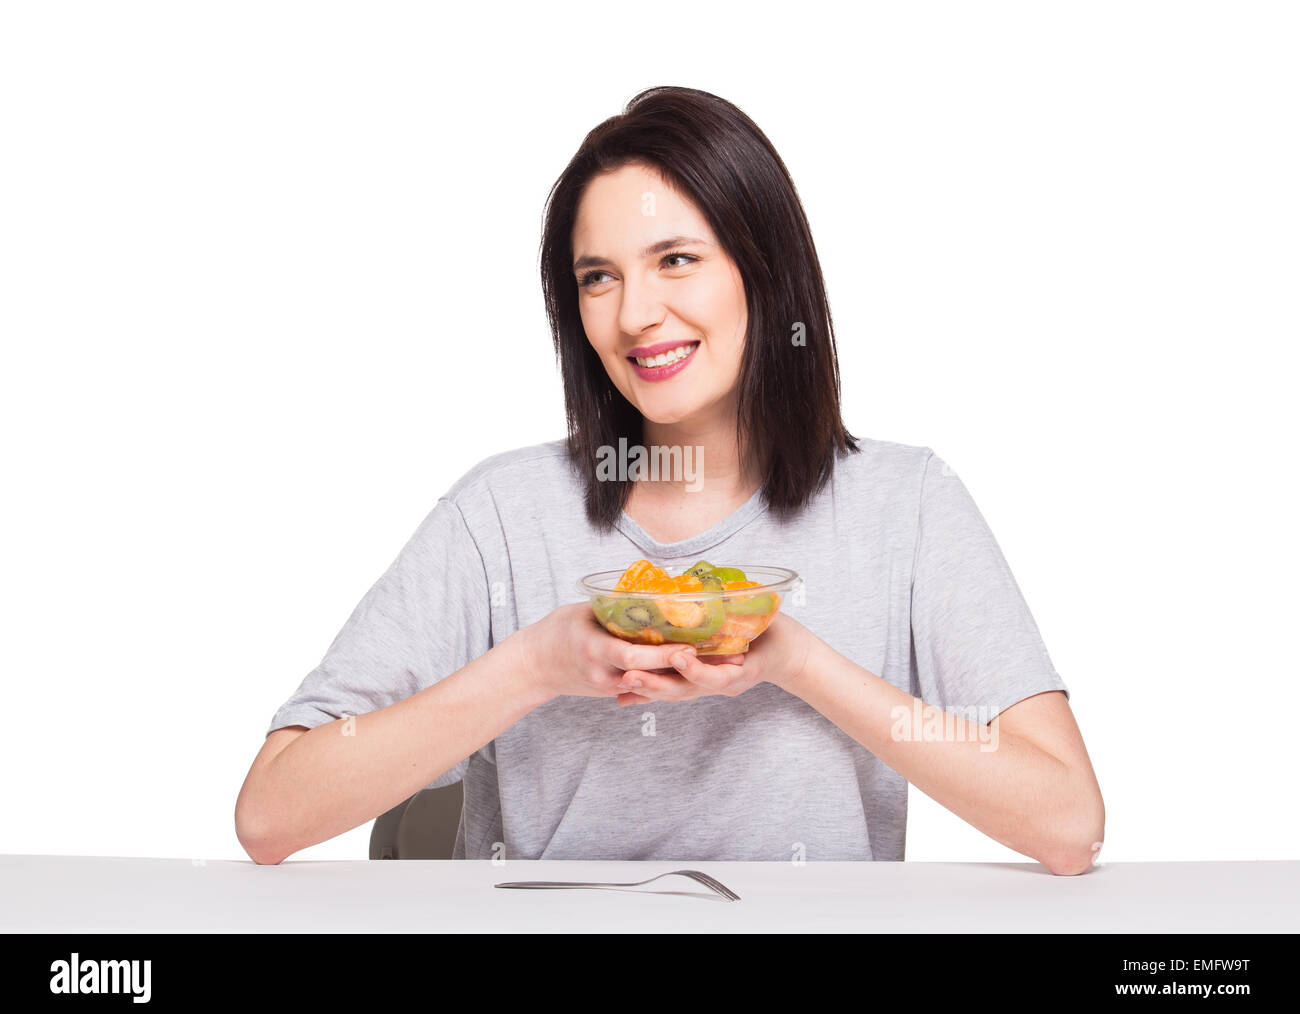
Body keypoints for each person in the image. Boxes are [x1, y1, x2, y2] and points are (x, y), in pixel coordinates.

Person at [235, 86, 1105, 872]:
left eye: (676, 259)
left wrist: (794, 660)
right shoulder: (502, 513)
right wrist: (535, 663)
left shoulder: (905, 505)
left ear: (765, 271)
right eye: (598, 278)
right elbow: (271, 812)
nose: (635, 314)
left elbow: (1068, 824)